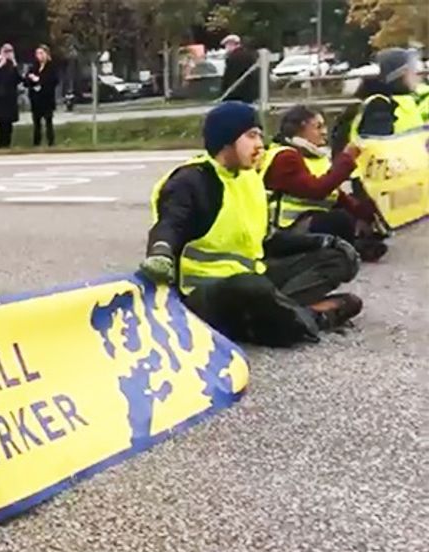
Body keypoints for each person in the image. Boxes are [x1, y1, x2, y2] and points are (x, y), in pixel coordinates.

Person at [140, 103, 363, 348]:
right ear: (227, 140)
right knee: (250, 287)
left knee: (337, 258)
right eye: (251, 135)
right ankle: (306, 319)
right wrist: (160, 252)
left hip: (254, 279)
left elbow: (267, 240)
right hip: (204, 293)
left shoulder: (249, 179)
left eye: (260, 135)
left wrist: (324, 242)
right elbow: (170, 223)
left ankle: (281, 315)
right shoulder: (192, 180)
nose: (260, 144)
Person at [260, 104, 388, 262]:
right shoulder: (286, 157)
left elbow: (335, 194)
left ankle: (356, 245)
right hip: (286, 228)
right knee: (338, 220)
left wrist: (366, 214)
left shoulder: (314, 156)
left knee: (351, 215)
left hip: (308, 220)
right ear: (301, 130)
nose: (324, 132)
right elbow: (317, 190)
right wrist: (346, 159)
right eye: (318, 127)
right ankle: (349, 249)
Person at [351, 48, 426, 138]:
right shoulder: (379, 105)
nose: (417, 75)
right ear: (399, 75)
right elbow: (376, 144)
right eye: (411, 70)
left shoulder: (407, 101)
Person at [25, 45, 59, 147]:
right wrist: (31, 79)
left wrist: (39, 80)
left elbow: (53, 80)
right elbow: (27, 80)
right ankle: (36, 143)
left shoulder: (51, 66)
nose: (39, 56)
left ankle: (51, 142)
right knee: (36, 123)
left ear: (46, 54)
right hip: (36, 99)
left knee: (48, 121)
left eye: (41, 53)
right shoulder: (34, 67)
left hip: (47, 98)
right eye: (37, 54)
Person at [219, 34, 258, 104]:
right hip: (249, 91)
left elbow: (229, 76)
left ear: (231, 44)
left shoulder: (233, 57)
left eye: (226, 45)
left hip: (236, 92)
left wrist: (224, 91)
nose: (226, 48)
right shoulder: (248, 54)